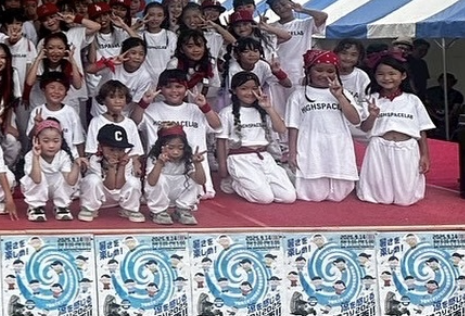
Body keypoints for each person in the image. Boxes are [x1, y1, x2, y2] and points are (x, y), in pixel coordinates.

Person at [285, 50, 365, 202]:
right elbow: (293, 126)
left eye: (330, 71)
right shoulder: (298, 95)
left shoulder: (343, 94)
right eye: (319, 70)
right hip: (311, 145)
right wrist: (292, 152)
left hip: (337, 144)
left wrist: (339, 96)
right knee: (313, 193)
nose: (324, 75)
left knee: (339, 193)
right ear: (309, 71)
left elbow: (355, 120)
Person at [357, 54, 434, 206]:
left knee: (405, 198)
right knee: (380, 195)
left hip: (407, 148)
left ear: (403, 76)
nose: (386, 78)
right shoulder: (372, 98)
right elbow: (364, 127)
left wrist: (425, 155)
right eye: (381, 74)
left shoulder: (412, 100)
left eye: (392, 73)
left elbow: (422, 129)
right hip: (379, 147)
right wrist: (372, 115)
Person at [215, 73, 296, 204]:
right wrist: (223, 167)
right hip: (239, 158)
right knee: (265, 198)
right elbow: (221, 141)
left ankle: (257, 182)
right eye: (244, 89)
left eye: (254, 88)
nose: (250, 93)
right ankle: (235, 183)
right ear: (234, 91)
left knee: (288, 197)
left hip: (264, 157)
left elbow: (281, 129)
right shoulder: (227, 113)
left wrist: (268, 108)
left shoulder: (263, 110)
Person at [78, 122, 144, 223]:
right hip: (100, 196)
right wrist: (112, 168)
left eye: (120, 149)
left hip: (118, 196)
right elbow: (110, 186)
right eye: (111, 149)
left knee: (134, 181)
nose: (116, 153)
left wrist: (122, 166)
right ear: (100, 147)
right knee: (92, 180)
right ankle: (89, 209)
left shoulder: (127, 160)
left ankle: (130, 209)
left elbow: (118, 186)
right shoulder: (95, 159)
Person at [145, 123, 208, 225]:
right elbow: (151, 182)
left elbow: (201, 181)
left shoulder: (186, 159)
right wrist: (160, 163)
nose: (175, 152)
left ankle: (183, 210)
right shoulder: (154, 158)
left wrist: (197, 164)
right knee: (160, 179)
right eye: (171, 148)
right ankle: (158, 211)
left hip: (177, 192)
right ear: (162, 146)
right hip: (160, 193)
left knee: (193, 180)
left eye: (180, 148)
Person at [20, 118, 80, 222]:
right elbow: (37, 179)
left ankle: (61, 206)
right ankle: (36, 207)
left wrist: (76, 165)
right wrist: (36, 157)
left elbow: (70, 181)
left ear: (61, 140)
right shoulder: (30, 155)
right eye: (46, 141)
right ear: (37, 140)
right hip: (38, 186)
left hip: (54, 188)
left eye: (56, 141)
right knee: (38, 176)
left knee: (64, 175)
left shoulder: (63, 155)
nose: (51, 145)